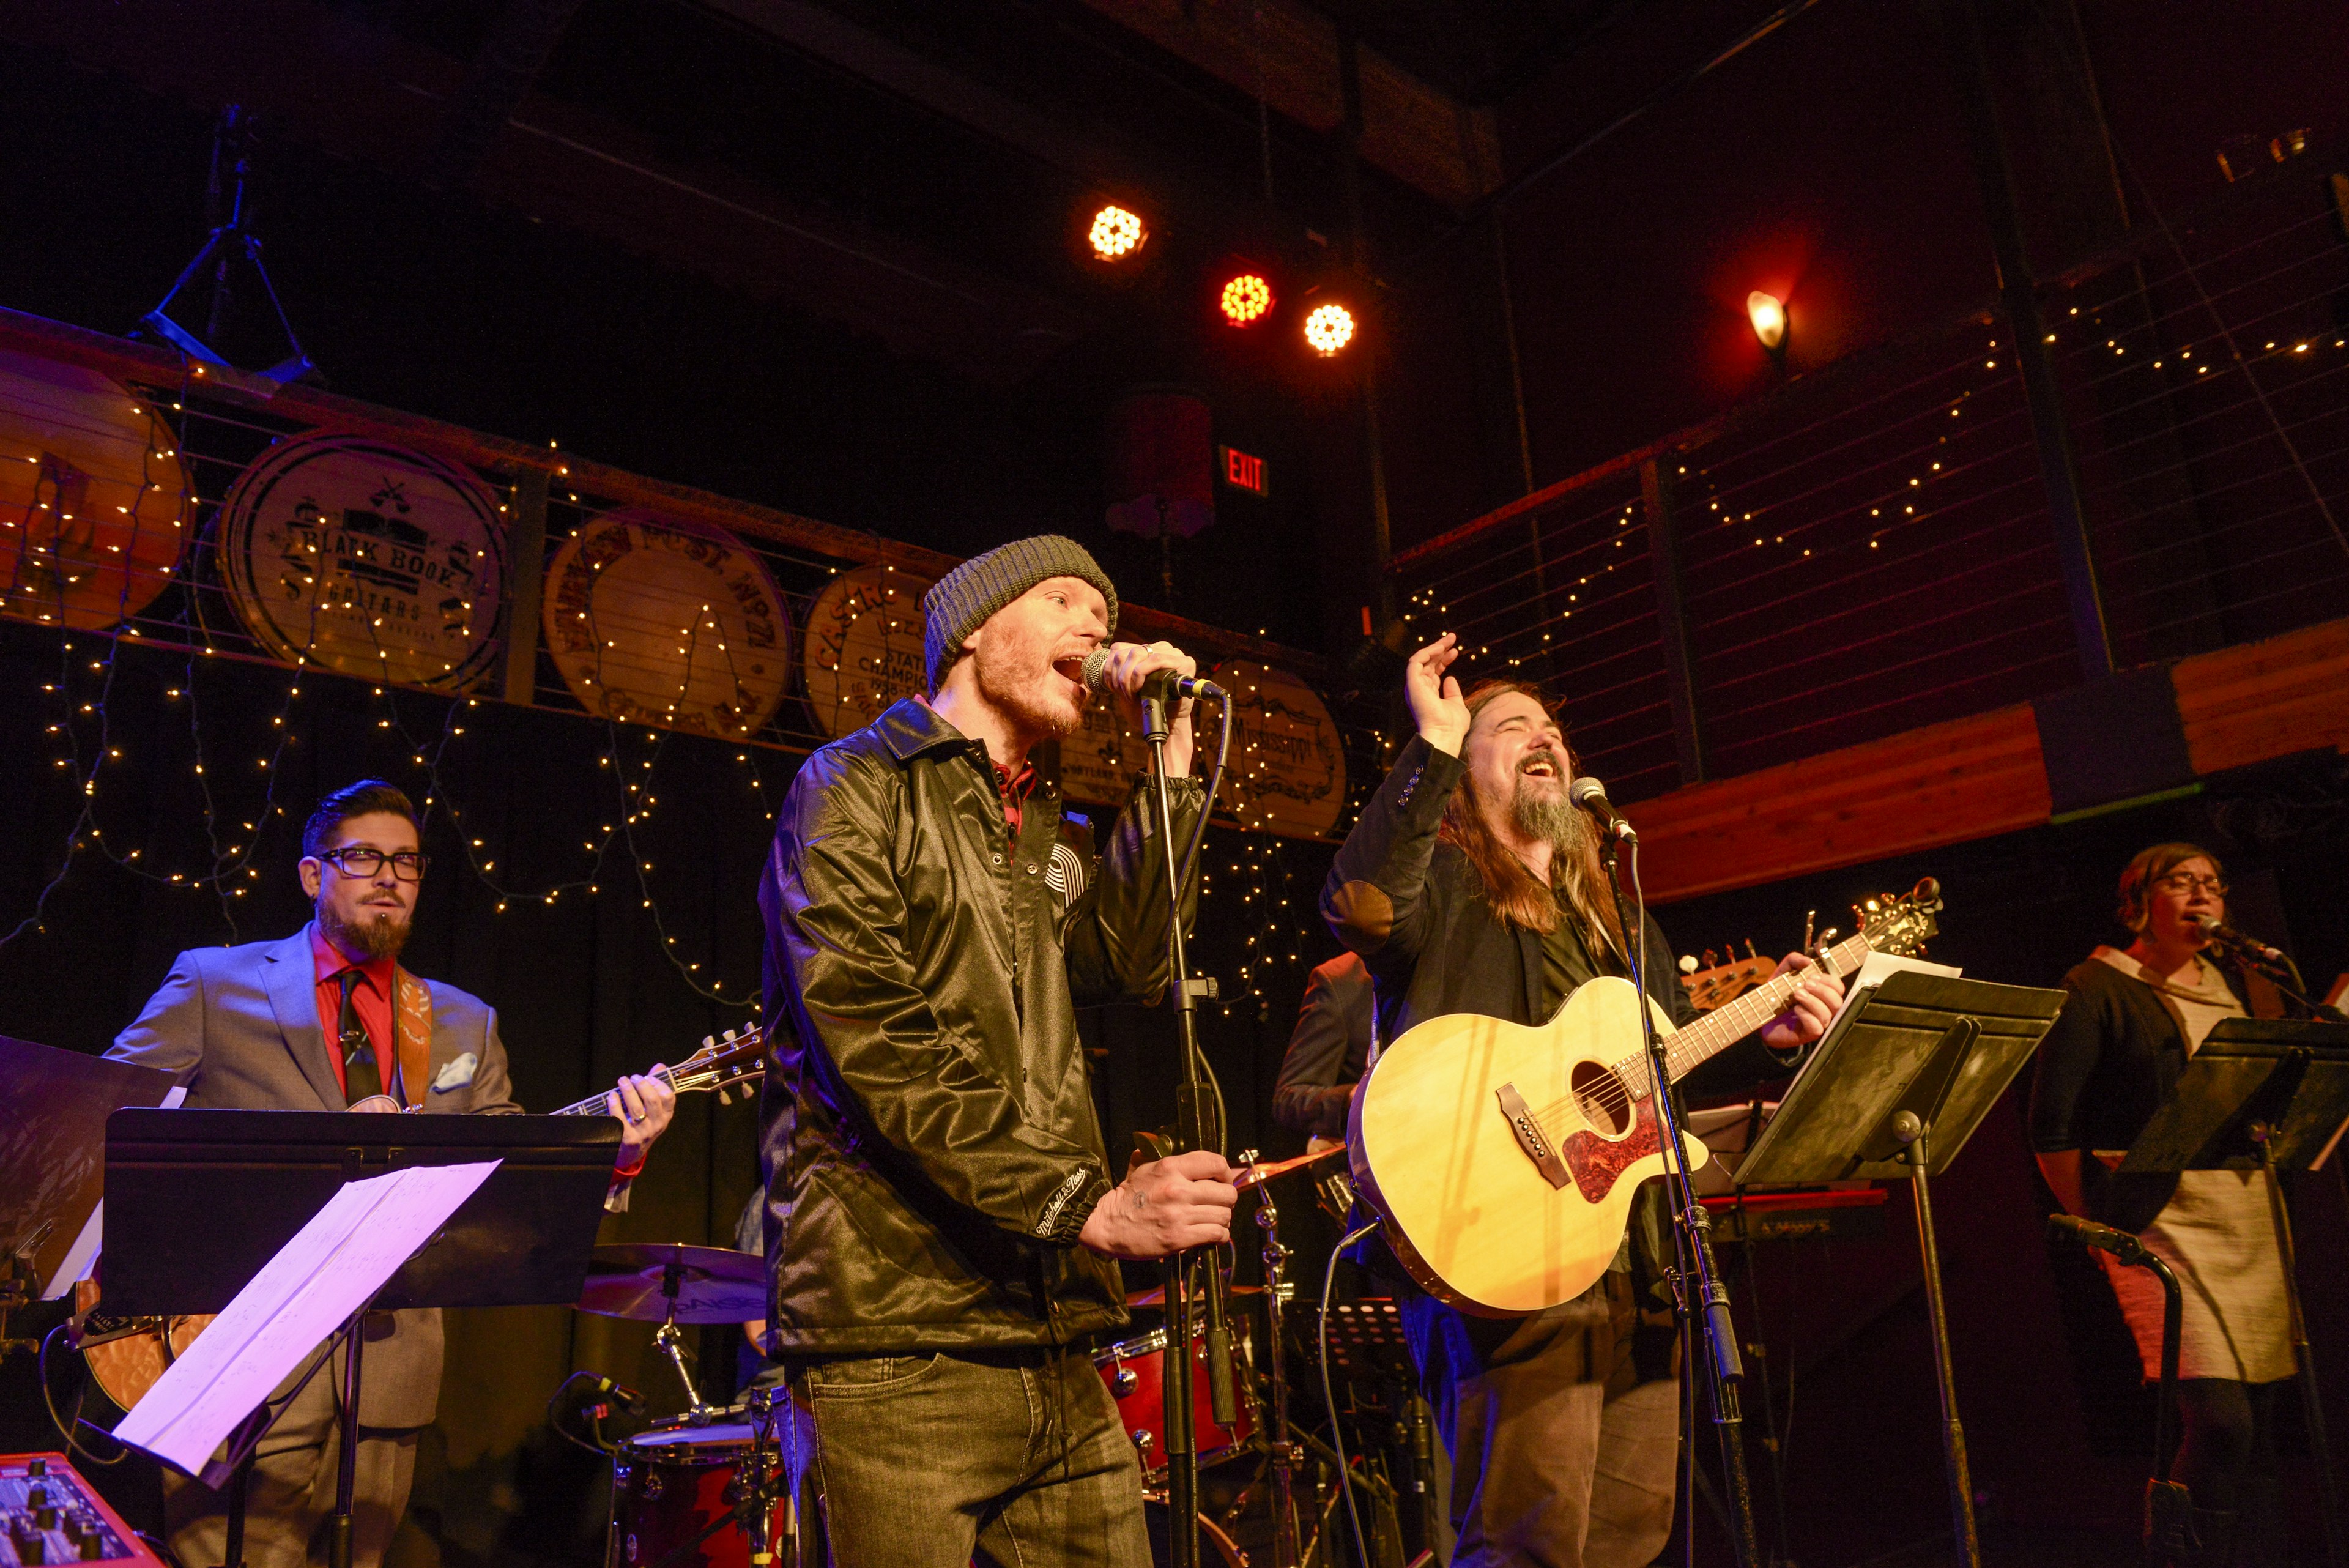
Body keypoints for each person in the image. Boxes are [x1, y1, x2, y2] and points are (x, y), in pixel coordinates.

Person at [756, 534, 1238, 1567]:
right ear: (975, 628)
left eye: (1103, 611)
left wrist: (1172, 763)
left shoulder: (1045, 831)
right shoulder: (852, 786)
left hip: (1050, 1325)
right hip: (896, 1334)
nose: (1095, 624)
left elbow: (1141, 957)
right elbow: (880, 1045)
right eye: (1063, 598)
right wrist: (1084, 1203)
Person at [1319, 631, 1842, 1568]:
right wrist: (1430, 743)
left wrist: (1767, 1031)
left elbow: (1664, 1063)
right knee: (1529, 1542)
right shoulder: (1443, 882)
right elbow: (1359, 905)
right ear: (1466, 767)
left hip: (1636, 1265)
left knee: (1630, 1539)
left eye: (1554, 729)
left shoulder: (1621, 916)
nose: (1545, 739)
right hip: (1498, 1250)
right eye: (1511, 726)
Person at [105, 779, 678, 1568]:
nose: (388, 877)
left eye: (405, 862)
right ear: (314, 875)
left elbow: (507, 1178)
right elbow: (111, 1125)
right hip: (242, 1356)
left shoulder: (460, 1018)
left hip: (388, 1375)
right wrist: (327, 1147)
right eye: (365, 856)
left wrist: (617, 1151)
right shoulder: (214, 983)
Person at [2028, 842, 2293, 1566]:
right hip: (2153, 1215)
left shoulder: (2236, 985)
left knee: (2263, 1419)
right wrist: (2097, 1224)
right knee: (2221, 1420)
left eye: (2213, 882)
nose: (2202, 893)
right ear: (2140, 901)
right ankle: (2179, 1556)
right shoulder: (2096, 984)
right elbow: (2053, 1126)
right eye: (2181, 881)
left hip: (2244, 1213)